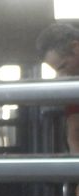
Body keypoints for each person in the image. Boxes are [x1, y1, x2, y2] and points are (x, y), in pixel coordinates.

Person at [37, 22, 79, 154]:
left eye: (63, 66)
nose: (62, 75)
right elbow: (74, 134)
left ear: (76, 48)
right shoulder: (74, 87)